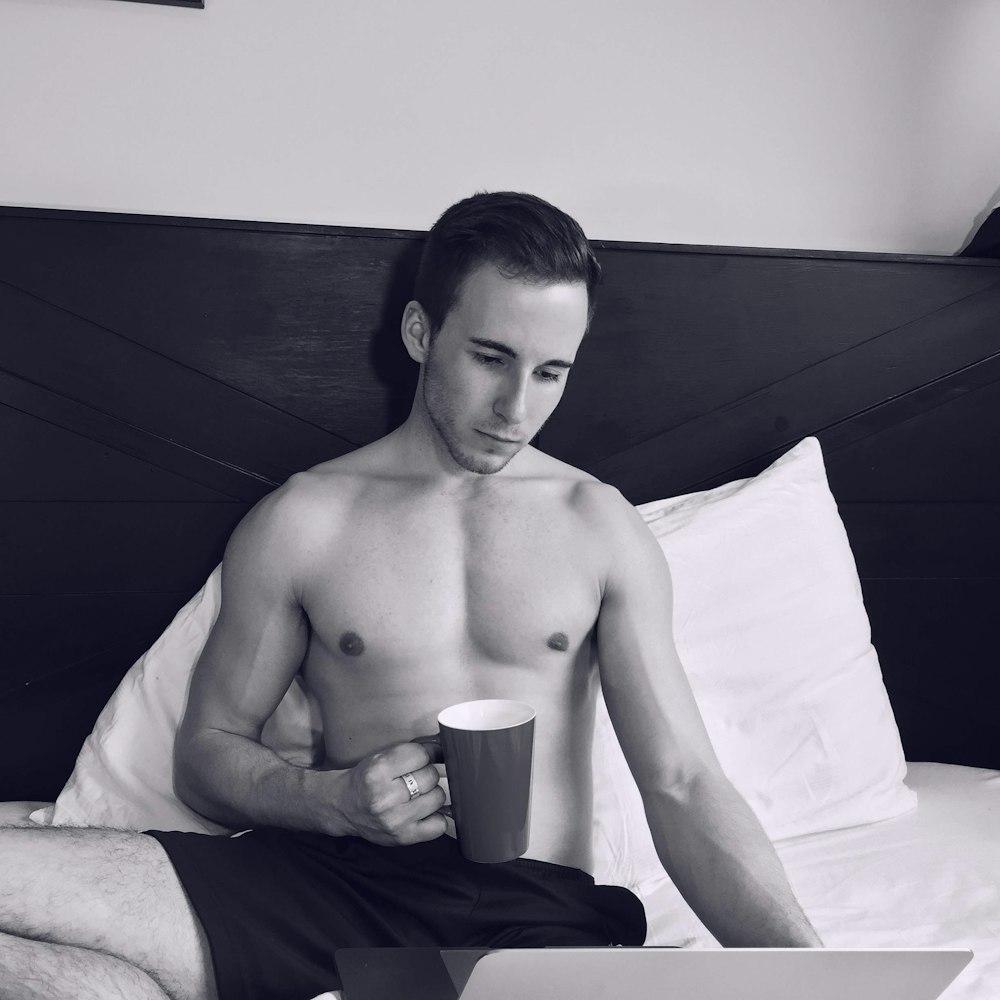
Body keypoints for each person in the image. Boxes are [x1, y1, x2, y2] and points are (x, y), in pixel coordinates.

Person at [0, 191, 821, 1000]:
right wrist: (335, 802)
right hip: (324, 884)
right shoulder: (304, 521)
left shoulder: (597, 527)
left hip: (526, 916)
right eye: (491, 358)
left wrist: (816, 977)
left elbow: (680, 779)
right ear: (422, 332)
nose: (516, 408)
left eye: (550, 373)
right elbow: (206, 758)